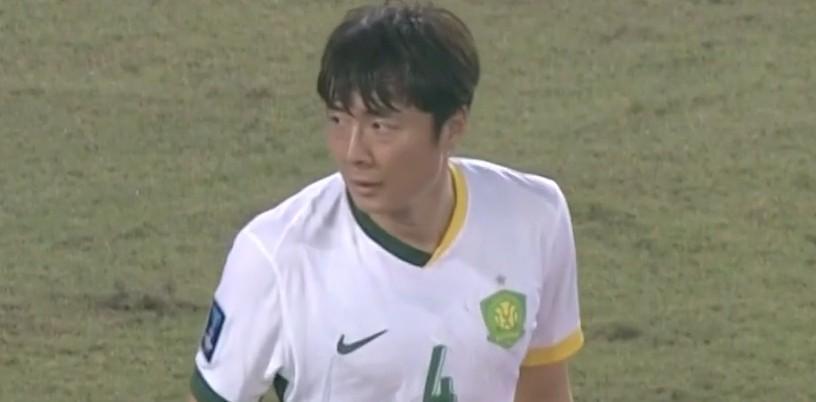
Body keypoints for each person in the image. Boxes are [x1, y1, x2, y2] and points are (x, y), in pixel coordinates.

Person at [187, 2, 584, 401]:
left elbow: (543, 389)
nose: (353, 153)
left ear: (452, 129)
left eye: (380, 126)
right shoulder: (275, 257)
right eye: (338, 120)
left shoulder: (534, 217)